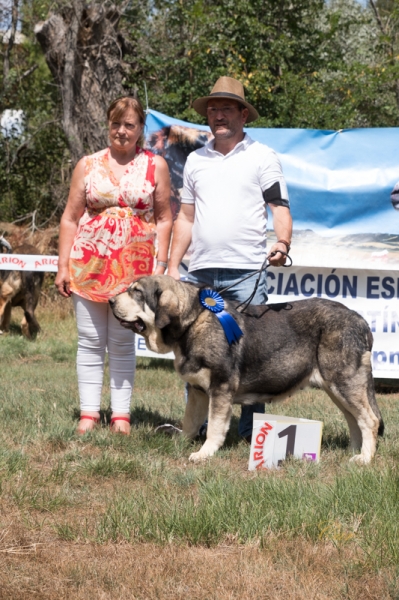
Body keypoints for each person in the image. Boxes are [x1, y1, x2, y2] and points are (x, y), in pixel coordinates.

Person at [168, 76, 292, 442]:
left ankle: (253, 434)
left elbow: (279, 207)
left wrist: (282, 243)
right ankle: (200, 429)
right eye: (212, 109)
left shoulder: (263, 156)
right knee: (198, 356)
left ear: (243, 114)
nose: (218, 115)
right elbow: (186, 218)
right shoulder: (194, 161)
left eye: (225, 108)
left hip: (247, 274)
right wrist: (173, 266)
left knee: (252, 355)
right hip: (201, 275)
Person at [55, 97, 172, 435]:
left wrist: (160, 265)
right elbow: (69, 218)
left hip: (135, 270)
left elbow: (165, 219)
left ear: (140, 130)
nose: (122, 130)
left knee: (123, 342)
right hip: (87, 265)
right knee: (90, 340)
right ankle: (88, 415)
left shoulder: (155, 166)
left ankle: (121, 417)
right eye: (116, 123)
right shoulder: (87, 165)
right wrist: (63, 265)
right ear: (108, 124)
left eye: (130, 125)